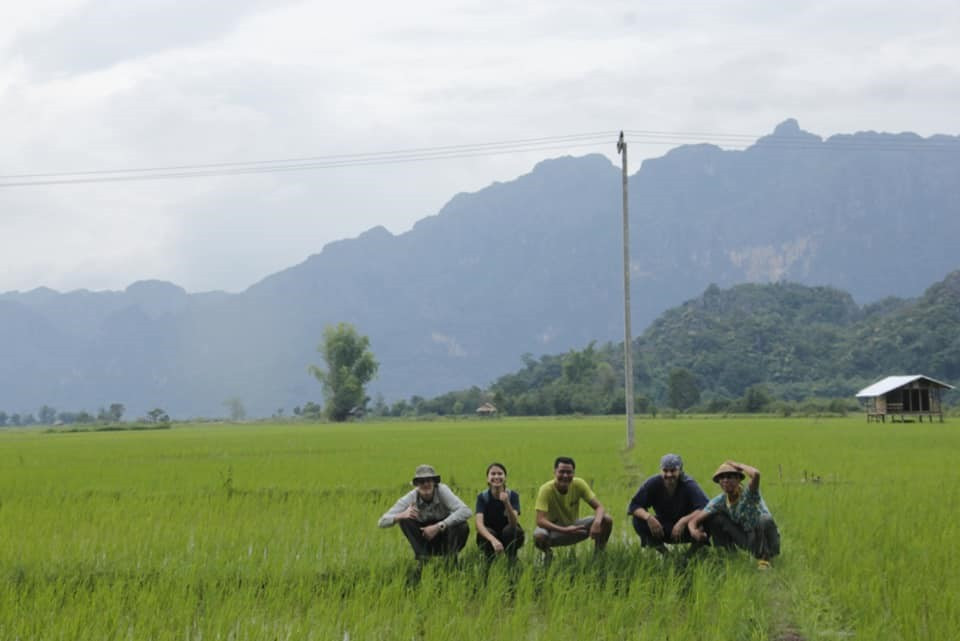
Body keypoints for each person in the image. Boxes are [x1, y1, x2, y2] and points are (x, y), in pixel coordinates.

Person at [688, 460, 781, 569]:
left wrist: (738, 465)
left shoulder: (749, 493)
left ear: (738, 479)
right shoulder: (720, 500)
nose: (725, 480)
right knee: (715, 518)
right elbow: (694, 520)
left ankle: (764, 560)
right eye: (722, 478)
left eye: (730, 477)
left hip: (767, 539)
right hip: (747, 539)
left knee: (764, 519)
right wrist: (694, 531)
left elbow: (756, 474)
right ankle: (728, 556)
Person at [378, 464, 471, 560]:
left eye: (429, 480)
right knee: (404, 519)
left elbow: (466, 511)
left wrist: (439, 526)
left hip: (444, 535)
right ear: (416, 484)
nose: (426, 484)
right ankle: (423, 559)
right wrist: (401, 515)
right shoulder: (410, 497)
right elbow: (381, 522)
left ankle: (450, 558)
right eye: (421, 481)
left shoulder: (442, 491)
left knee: (461, 524)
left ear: (434, 482)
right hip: (424, 537)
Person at [627, 453, 708, 553]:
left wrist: (683, 521)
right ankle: (665, 554)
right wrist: (649, 517)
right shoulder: (653, 483)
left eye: (673, 471)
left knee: (709, 520)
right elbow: (634, 506)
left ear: (680, 471)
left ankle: (691, 554)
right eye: (665, 471)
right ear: (661, 471)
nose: (669, 475)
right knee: (638, 519)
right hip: (662, 527)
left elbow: (705, 508)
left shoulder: (688, 484)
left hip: (687, 528)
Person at [533, 456, 613, 556]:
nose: (565, 476)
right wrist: (565, 530)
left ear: (573, 473)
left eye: (569, 472)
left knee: (606, 519)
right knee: (539, 536)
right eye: (561, 472)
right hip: (553, 529)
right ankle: (548, 555)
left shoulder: (579, 484)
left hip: (575, 526)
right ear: (555, 472)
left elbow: (599, 507)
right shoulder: (546, 489)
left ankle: (599, 554)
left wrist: (596, 523)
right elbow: (540, 521)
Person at [475, 462, 525, 559]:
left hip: (508, 534)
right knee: (486, 532)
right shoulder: (482, 497)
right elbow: (479, 524)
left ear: (505, 478)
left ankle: (512, 559)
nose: (496, 476)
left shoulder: (513, 495)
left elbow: (514, 523)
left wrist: (507, 503)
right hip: (491, 534)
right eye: (493, 474)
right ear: (488, 479)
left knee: (511, 530)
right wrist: (493, 540)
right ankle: (488, 560)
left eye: (500, 474)